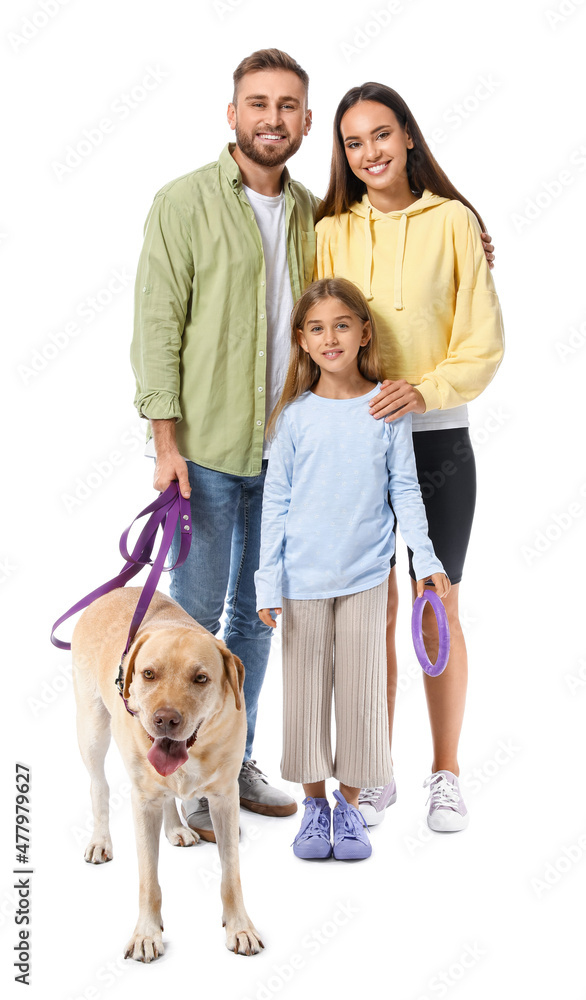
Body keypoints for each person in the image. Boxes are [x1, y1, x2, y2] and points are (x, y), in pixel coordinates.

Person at [130, 49, 319, 838]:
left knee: (259, 615)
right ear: (232, 114)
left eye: (287, 107)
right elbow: (155, 326)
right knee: (194, 610)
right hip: (203, 448)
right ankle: (166, 767)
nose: (272, 118)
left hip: (288, 455)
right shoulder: (181, 203)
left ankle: (228, 762)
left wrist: (467, 236)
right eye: (258, 103)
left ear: (306, 122)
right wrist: (164, 439)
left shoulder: (317, 212)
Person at [314, 83, 504, 832]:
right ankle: (372, 774)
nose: (370, 154)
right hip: (354, 445)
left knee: (435, 604)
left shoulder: (454, 222)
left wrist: (422, 392)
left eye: (382, 136)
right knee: (370, 610)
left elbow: (482, 344)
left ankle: (447, 773)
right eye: (354, 143)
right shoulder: (330, 231)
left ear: (410, 138)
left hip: (436, 443)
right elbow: (310, 325)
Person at [255, 278, 450, 860]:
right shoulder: (292, 418)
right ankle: (314, 808)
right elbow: (276, 506)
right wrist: (268, 580)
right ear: (302, 340)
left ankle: (352, 804)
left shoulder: (386, 409)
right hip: (302, 581)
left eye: (342, 324)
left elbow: (406, 491)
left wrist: (427, 559)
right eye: (317, 327)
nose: (330, 336)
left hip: (367, 576)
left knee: (364, 695)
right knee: (307, 693)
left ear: (364, 331)